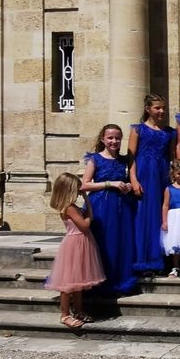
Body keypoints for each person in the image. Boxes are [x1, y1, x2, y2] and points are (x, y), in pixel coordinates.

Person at [44, 172, 105, 329]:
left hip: (82, 243)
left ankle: (78, 310)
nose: (80, 190)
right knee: (68, 283)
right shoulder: (69, 208)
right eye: (77, 188)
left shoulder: (73, 206)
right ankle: (65, 315)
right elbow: (84, 226)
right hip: (74, 244)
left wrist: (86, 201)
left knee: (78, 281)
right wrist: (89, 212)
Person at [81, 124, 137, 295]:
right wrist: (109, 184)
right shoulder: (95, 159)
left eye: (117, 138)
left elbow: (124, 180)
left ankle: (117, 278)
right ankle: (98, 280)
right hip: (100, 206)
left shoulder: (123, 160)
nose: (114, 141)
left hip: (121, 206)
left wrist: (126, 185)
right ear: (103, 139)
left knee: (119, 242)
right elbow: (84, 184)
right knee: (102, 241)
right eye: (110, 138)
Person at [129, 93, 175, 275]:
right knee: (143, 215)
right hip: (144, 174)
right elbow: (131, 157)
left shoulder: (169, 132)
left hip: (162, 174)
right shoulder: (137, 129)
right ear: (148, 109)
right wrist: (133, 179)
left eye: (163, 108)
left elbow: (172, 157)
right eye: (157, 108)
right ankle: (142, 258)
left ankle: (160, 257)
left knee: (160, 215)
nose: (161, 111)